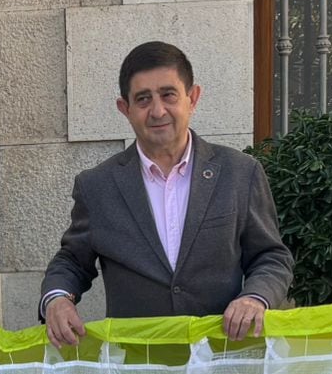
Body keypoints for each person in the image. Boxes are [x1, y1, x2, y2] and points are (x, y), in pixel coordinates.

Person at [40, 42, 292, 348]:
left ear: (192, 98)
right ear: (126, 109)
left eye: (168, 95)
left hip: (222, 361)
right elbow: (72, 261)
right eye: (143, 99)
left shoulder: (240, 173)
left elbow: (271, 257)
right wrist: (56, 299)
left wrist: (255, 298)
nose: (157, 111)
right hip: (137, 372)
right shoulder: (97, 186)